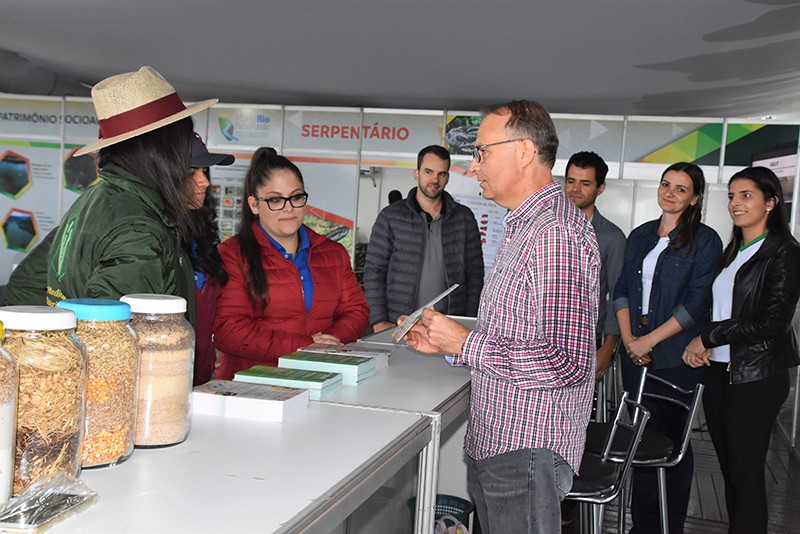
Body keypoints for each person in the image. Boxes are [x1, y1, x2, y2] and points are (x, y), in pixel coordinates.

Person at [405, 100, 600, 533]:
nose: (473, 168)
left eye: (481, 152)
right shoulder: (527, 224)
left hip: (526, 448)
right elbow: (515, 332)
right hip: (503, 441)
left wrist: (464, 343)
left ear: (525, 151)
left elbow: (564, 360)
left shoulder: (554, 233)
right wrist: (448, 346)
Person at [11, 66, 217, 327]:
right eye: (181, 138)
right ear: (161, 150)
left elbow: (26, 284)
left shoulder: (96, 198)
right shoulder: (138, 227)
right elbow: (116, 338)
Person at [682, 167, 800, 534]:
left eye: (746, 195)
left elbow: (772, 322)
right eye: (732, 196)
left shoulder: (784, 252)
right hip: (720, 373)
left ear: (770, 203)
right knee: (731, 473)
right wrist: (706, 341)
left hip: (756, 378)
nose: (736, 203)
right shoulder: (735, 249)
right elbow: (719, 308)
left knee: (746, 476)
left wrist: (709, 338)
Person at [614, 162, 722, 534]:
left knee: (671, 445)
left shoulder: (705, 241)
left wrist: (648, 340)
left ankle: (667, 526)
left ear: (695, 198)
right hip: (635, 356)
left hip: (675, 357)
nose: (670, 193)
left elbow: (696, 303)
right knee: (641, 442)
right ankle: (642, 525)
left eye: (680, 188)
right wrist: (630, 341)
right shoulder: (641, 235)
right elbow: (623, 289)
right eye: (665, 184)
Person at [213, 147, 370, 380]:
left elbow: (356, 310)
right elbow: (230, 330)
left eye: (296, 197)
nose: (289, 208)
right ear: (254, 205)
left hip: (321, 380)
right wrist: (304, 346)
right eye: (275, 199)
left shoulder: (332, 253)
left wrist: (327, 344)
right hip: (251, 386)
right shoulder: (233, 254)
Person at [363, 145, 484, 332]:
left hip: (449, 326)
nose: (435, 179)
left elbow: (475, 275)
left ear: (447, 178)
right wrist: (378, 320)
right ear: (416, 173)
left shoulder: (464, 218)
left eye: (441, 174)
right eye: (428, 171)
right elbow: (374, 271)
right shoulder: (390, 217)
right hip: (398, 324)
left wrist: (468, 321)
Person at [565, 151, 626, 380]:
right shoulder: (548, 228)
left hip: (588, 338)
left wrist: (608, 347)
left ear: (600, 188)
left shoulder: (612, 237)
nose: (575, 189)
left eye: (585, 183)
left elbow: (617, 296)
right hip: (542, 336)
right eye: (571, 181)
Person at [186, 132, 234, 386]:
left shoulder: (203, 238)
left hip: (201, 382)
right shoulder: (152, 241)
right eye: (192, 173)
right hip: (163, 389)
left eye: (205, 171)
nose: (203, 182)